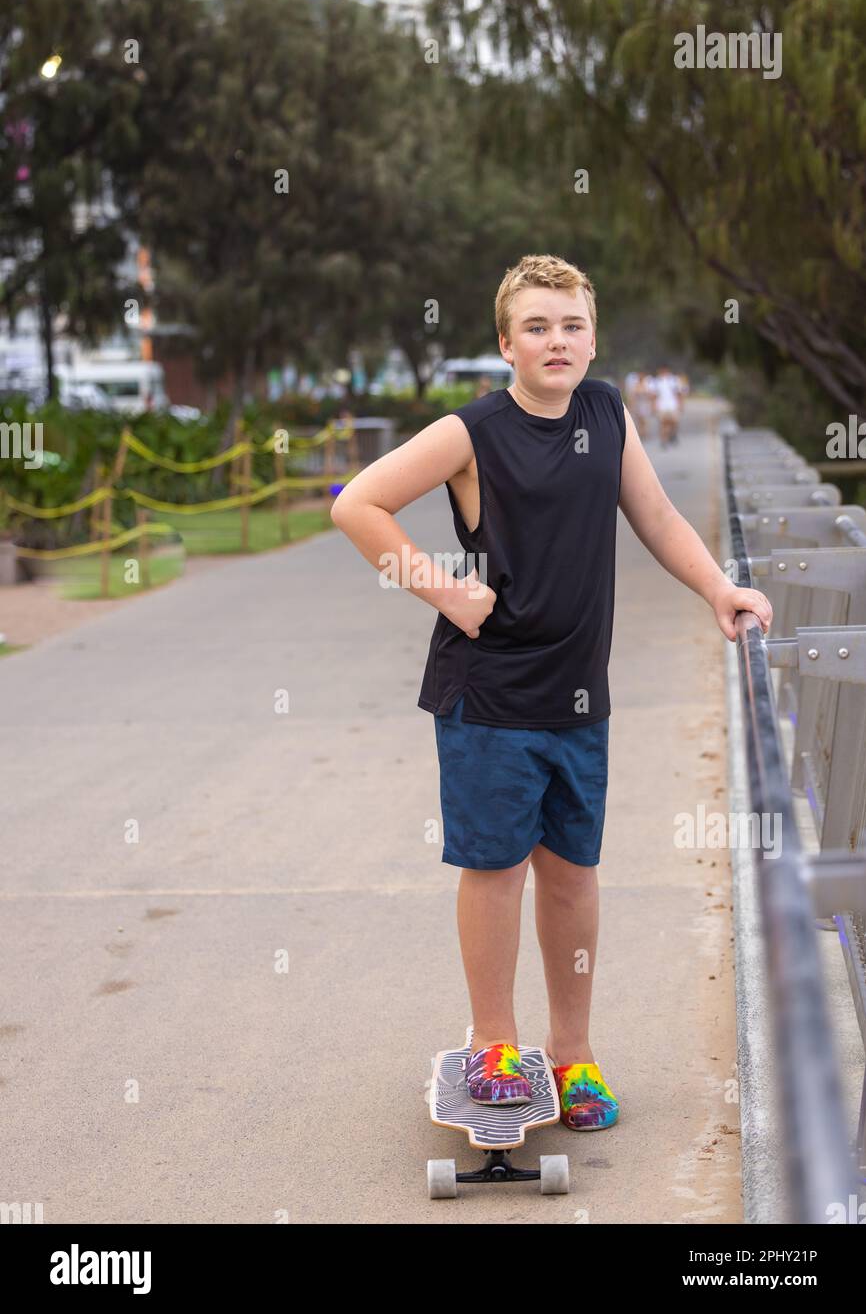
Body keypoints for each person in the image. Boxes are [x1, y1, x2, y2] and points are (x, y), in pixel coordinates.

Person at [330, 254, 772, 1131]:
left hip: (577, 696)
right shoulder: (471, 432)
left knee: (572, 877)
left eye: (570, 325)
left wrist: (719, 588)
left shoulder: (606, 414)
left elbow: (655, 516)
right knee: (493, 871)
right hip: (488, 696)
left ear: (592, 337)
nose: (555, 340)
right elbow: (357, 504)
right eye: (535, 326)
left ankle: (573, 1055)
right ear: (506, 343)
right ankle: (493, 1042)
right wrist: (442, 588)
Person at [651, 365, 681, 446]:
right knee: (663, 424)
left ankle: (672, 434)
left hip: (672, 405)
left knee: (674, 422)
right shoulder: (656, 381)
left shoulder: (673, 380)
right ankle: (663, 440)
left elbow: (678, 393)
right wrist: (653, 406)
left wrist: (680, 404)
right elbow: (654, 395)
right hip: (661, 406)